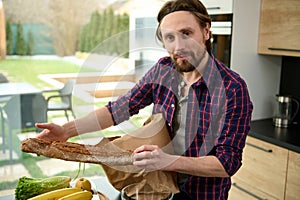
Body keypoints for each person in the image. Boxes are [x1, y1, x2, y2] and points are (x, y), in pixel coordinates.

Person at [36, 0, 253, 199]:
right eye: (170, 37)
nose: (178, 47)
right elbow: (118, 110)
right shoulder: (163, 70)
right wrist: (66, 131)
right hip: (158, 190)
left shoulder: (233, 89)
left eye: (186, 33)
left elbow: (227, 164)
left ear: (206, 31)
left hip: (202, 195)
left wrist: (167, 162)